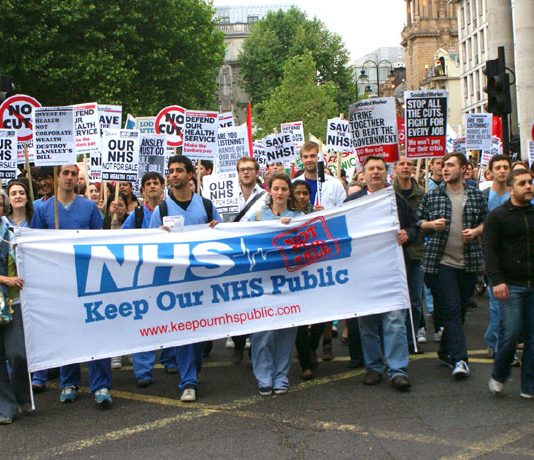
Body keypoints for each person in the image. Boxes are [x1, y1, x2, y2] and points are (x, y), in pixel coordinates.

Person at [31, 164, 112, 407]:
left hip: (87, 278)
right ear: (57, 177)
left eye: (73, 174)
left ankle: (101, 384)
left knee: (96, 330)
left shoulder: (88, 207)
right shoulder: (44, 209)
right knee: (67, 330)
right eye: (65, 173)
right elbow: (35, 245)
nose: (69, 178)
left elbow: (99, 240)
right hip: (60, 282)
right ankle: (68, 382)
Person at [149, 155, 220, 402]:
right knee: (183, 332)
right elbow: (148, 248)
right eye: (170, 171)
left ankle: (193, 370)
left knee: (200, 336)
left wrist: (216, 229)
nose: (174, 175)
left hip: (203, 280)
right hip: (176, 282)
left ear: (191, 175)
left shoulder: (207, 207)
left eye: (179, 170)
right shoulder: (161, 211)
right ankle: (188, 381)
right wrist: (159, 236)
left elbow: (224, 240)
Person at [345, 155, 416, 391]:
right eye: (370, 169)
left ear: (387, 173)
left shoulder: (397, 201)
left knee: (395, 321)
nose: (375, 172)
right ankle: (373, 367)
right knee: (367, 323)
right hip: (364, 272)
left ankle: (398, 370)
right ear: (362, 174)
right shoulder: (352, 202)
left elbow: (415, 227)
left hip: (393, 271)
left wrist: (409, 234)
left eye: (379, 168)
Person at [417, 153, 488, 379]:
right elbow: (417, 223)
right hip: (441, 263)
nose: (445, 169)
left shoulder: (476, 196)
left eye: (450, 165)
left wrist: (476, 231)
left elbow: (488, 223)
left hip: (468, 263)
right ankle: (460, 360)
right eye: (443, 166)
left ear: (464, 169)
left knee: (458, 313)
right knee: (451, 308)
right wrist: (430, 224)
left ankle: (445, 351)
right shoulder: (433, 196)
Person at [247, 172, 303, 395]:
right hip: (263, 282)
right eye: (276, 188)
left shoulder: (298, 216)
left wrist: (294, 227)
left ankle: (281, 376)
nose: (280, 193)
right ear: (269, 190)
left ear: (289, 192)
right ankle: (264, 376)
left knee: (286, 331)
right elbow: (242, 239)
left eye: (284, 189)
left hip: (289, 282)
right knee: (263, 331)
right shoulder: (257, 216)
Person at [121, 172, 177, 385]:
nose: (152, 186)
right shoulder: (135, 216)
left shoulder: (172, 211)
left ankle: (170, 358)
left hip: (167, 272)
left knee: (170, 317)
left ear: (163, 187)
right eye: (148, 184)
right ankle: (143, 370)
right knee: (142, 320)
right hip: (142, 274)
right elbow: (122, 241)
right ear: (143, 190)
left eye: (156, 183)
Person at [484, 168, 534, 398]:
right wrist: (497, 280)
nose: (528, 187)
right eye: (523, 183)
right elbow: (490, 251)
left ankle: (529, 385)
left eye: (530, 182)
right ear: (512, 189)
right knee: (511, 333)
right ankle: (500, 374)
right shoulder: (498, 216)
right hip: (510, 284)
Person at [228, 157, 267, 364]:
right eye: (242, 169)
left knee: (254, 298)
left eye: (249, 169)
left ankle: (254, 344)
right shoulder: (226, 194)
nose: (246, 173)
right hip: (232, 253)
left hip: (255, 252)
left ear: (256, 171)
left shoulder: (265, 196)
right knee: (235, 299)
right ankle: (238, 342)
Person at [0, 191, 29, 424]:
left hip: (14, 302)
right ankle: (6, 407)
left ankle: (22, 397)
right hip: (5, 290)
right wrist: (5, 280)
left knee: (17, 354)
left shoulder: (13, 232)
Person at [393, 157, 426, 351]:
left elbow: (422, 222)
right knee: (397, 299)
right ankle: (398, 338)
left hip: (416, 252)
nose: (406, 167)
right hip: (394, 254)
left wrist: (414, 232)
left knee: (414, 298)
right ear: (395, 169)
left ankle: (410, 338)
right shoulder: (387, 194)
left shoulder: (422, 194)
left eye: (409, 164)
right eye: (402, 164)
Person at [481, 155, 512, 358]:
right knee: (496, 304)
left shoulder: (516, 196)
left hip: (515, 257)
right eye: (498, 167)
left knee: (510, 305)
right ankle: (499, 345)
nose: (502, 171)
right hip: (492, 257)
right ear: (490, 172)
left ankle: (494, 339)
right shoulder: (483, 196)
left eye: (505, 167)